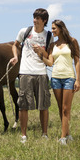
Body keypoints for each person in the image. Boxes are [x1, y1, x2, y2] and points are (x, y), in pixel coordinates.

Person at [10, 8, 54, 143]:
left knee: (43, 105)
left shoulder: (48, 36)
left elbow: (48, 56)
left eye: (38, 19)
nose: (35, 20)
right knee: (23, 105)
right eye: (34, 18)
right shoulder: (25, 31)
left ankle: (44, 134)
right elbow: (15, 45)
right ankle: (23, 135)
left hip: (41, 73)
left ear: (44, 21)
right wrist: (15, 57)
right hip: (25, 73)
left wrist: (41, 51)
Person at [36, 20, 80, 145]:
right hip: (55, 78)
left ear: (61, 28)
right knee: (61, 108)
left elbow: (77, 61)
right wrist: (40, 55)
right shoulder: (52, 45)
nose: (52, 31)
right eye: (52, 28)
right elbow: (50, 63)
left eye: (54, 28)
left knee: (66, 109)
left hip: (69, 78)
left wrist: (77, 79)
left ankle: (62, 138)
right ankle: (67, 134)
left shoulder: (72, 42)